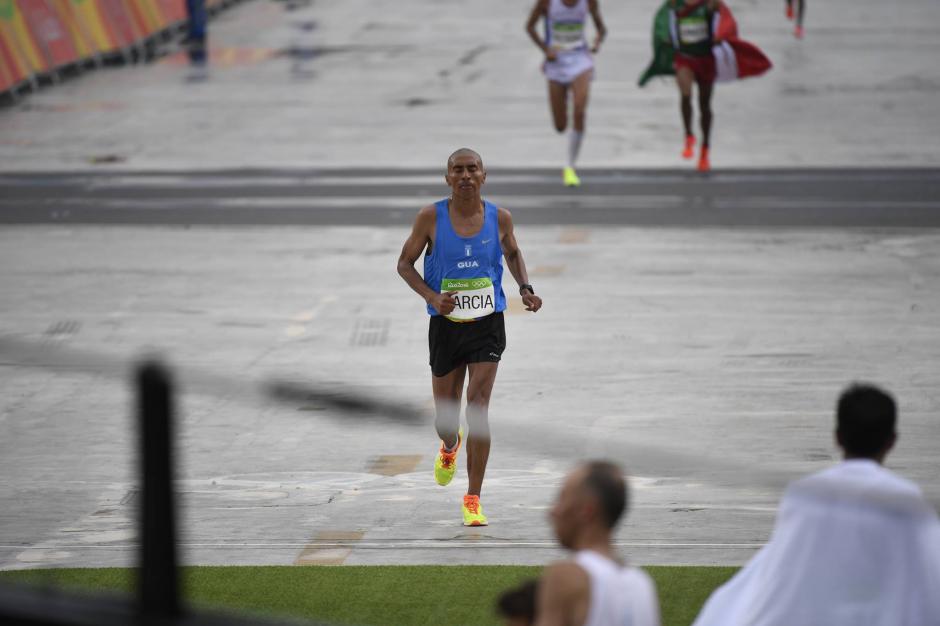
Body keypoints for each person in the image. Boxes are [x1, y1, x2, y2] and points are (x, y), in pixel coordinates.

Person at [692, 384, 940, 626]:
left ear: (837, 437)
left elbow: (778, 572)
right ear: (891, 441)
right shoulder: (907, 499)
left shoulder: (804, 495)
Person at [396, 148, 543, 526]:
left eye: (472, 169)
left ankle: (473, 498)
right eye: (457, 170)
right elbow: (404, 264)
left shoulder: (500, 218)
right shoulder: (430, 217)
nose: (465, 176)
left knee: (477, 410)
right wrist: (432, 297)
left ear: (483, 175)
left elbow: (513, 252)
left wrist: (525, 288)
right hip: (446, 326)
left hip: (487, 324)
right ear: (447, 178)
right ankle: (450, 445)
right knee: (447, 419)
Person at [535, 461, 661, 626]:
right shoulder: (641, 584)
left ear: (587, 510)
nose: (552, 511)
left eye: (562, 498)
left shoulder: (567, 576)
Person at [526, 0, 606, 187]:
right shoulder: (547, 3)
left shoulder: (589, 2)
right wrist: (545, 50)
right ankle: (569, 152)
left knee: (579, 110)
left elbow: (601, 28)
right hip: (556, 63)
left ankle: (570, 166)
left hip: (580, 60)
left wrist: (597, 42)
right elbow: (530, 27)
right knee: (560, 125)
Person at [669, 0, 719, 171]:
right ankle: (689, 136)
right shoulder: (676, 4)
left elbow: (721, 19)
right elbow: (667, 24)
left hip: (706, 60)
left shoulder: (709, 5)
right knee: (685, 94)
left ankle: (705, 149)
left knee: (704, 105)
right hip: (685, 58)